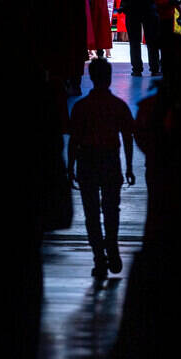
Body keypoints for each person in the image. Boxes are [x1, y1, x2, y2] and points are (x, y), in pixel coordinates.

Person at [68, 58, 136, 278]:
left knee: (91, 214)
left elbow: (73, 140)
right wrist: (129, 167)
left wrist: (70, 167)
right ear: (108, 78)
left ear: (91, 77)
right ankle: (112, 247)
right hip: (110, 161)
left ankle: (99, 259)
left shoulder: (80, 107)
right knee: (111, 210)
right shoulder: (118, 106)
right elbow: (127, 137)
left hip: (87, 161)